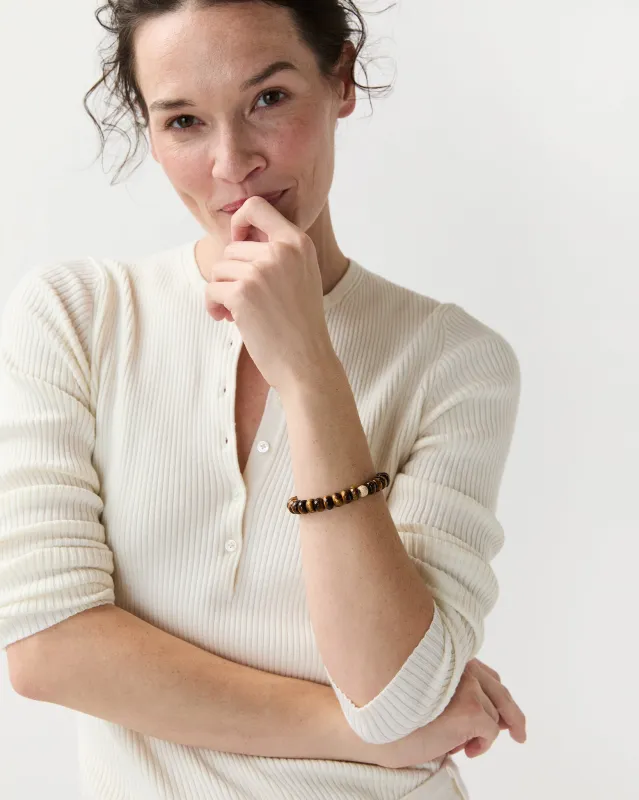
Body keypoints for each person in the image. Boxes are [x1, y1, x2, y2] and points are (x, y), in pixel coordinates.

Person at [0, 2, 527, 798]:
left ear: (339, 79)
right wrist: (351, 733)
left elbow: (397, 695)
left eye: (269, 100)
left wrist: (309, 370)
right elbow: (48, 651)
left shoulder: (454, 364)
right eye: (183, 121)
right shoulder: (77, 317)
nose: (231, 162)